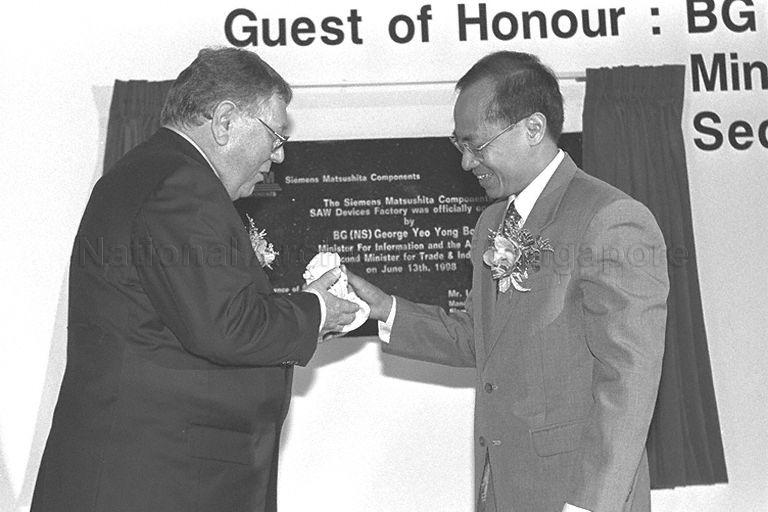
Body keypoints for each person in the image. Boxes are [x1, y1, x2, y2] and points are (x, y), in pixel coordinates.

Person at [31, 47, 358, 512]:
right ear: (225, 121)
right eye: (275, 135)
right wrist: (318, 309)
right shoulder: (182, 186)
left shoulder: (146, 173)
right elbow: (226, 325)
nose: (279, 156)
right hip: (162, 479)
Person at [347, 51, 669, 512]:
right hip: (501, 487)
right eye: (458, 145)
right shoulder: (492, 222)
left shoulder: (610, 219)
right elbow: (486, 342)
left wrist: (589, 506)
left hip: (576, 495)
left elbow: (630, 380)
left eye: (476, 145)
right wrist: (387, 310)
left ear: (533, 129)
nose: (465, 162)